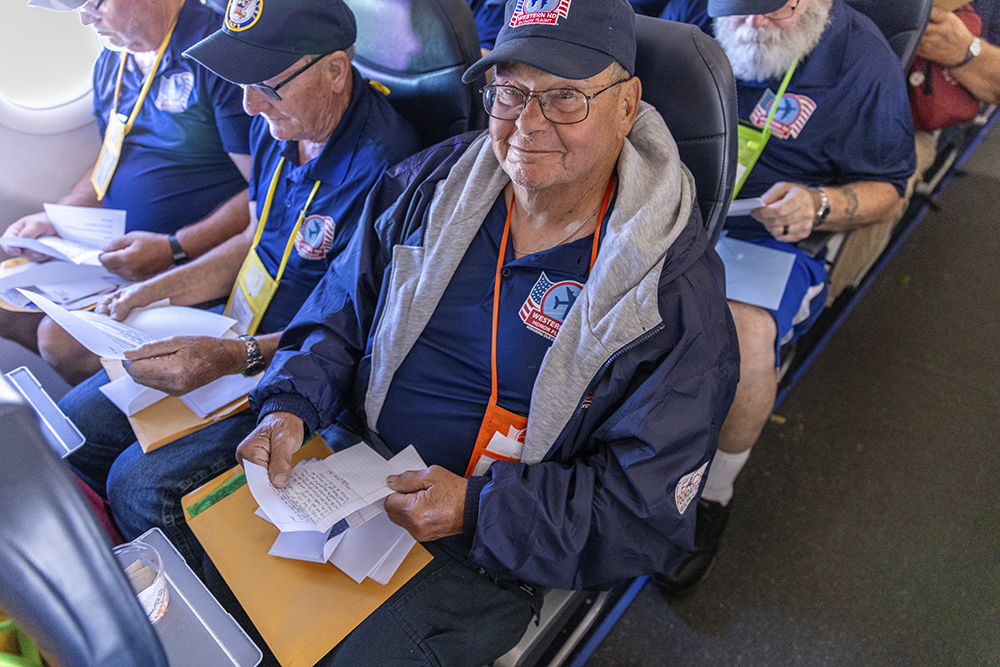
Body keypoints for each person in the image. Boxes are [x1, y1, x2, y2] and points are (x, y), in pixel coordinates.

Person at [236, 0, 739, 663]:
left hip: (495, 545)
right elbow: (340, 311)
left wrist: (479, 507)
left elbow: (641, 509)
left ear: (627, 105)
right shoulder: (431, 182)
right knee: (145, 492)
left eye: (564, 97)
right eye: (509, 92)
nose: (527, 124)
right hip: (352, 472)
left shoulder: (672, 292)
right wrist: (290, 403)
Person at [58, 0, 421, 571]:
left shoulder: (388, 171)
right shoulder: (279, 122)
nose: (250, 103)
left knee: (139, 486)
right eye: (244, 83)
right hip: (232, 330)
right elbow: (256, 235)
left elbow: (356, 332)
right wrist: (153, 291)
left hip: (294, 365)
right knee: (75, 424)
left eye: (268, 86)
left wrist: (233, 356)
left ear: (334, 70)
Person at [654, 0, 915, 594]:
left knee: (744, 342)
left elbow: (890, 191)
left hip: (766, 234)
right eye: (737, 11)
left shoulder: (862, 61)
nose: (750, 25)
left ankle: (714, 493)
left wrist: (822, 206)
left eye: (770, 10)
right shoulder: (693, 13)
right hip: (674, 203)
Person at [1, 0, 254, 386]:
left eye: (94, 3)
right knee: (5, 304)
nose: (85, 18)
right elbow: (111, 159)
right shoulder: (114, 62)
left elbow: (266, 191)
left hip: (191, 258)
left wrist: (174, 246)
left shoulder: (216, 56)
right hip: (118, 252)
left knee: (59, 340)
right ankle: (114, 393)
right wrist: (58, 218)